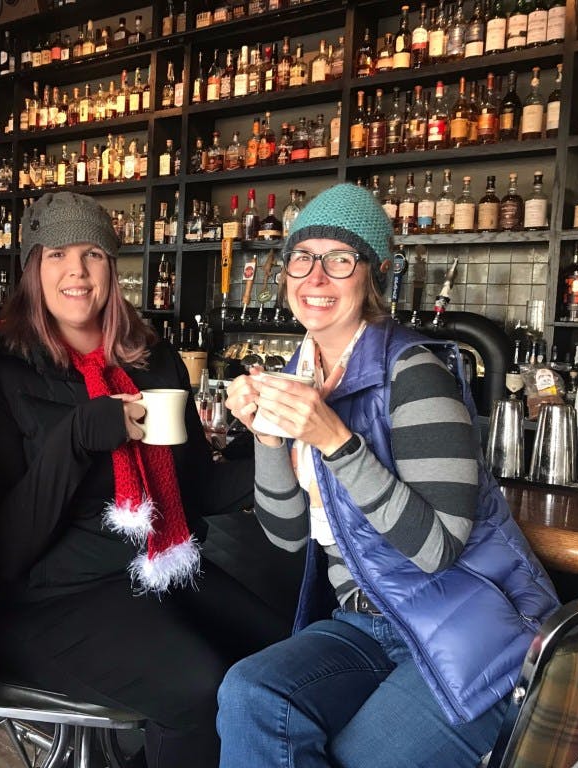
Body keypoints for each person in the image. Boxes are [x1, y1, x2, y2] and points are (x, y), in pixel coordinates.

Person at [215, 183, 560, 768]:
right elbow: (288, 536)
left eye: (340, 259)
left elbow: (438, 550)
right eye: (303, 257)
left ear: (371, 277)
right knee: (252, 695)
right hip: (366, 620)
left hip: (472, 629)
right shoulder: (303, 372)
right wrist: (269, 440)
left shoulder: (414, 372)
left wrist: (336, 441)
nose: (315, 277)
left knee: (357, 757)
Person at [0, 191, 287, 768]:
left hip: (156, 568)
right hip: (46, 599)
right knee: (201, 688)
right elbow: (7, 548)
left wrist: (278, 452)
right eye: (56, 254)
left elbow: (193, 489)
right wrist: (75, 437)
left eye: (92, 253)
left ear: (112, 269)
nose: (76, 271)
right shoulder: (1, 365)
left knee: (282, 656)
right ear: (31, 268)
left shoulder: (151, 359)